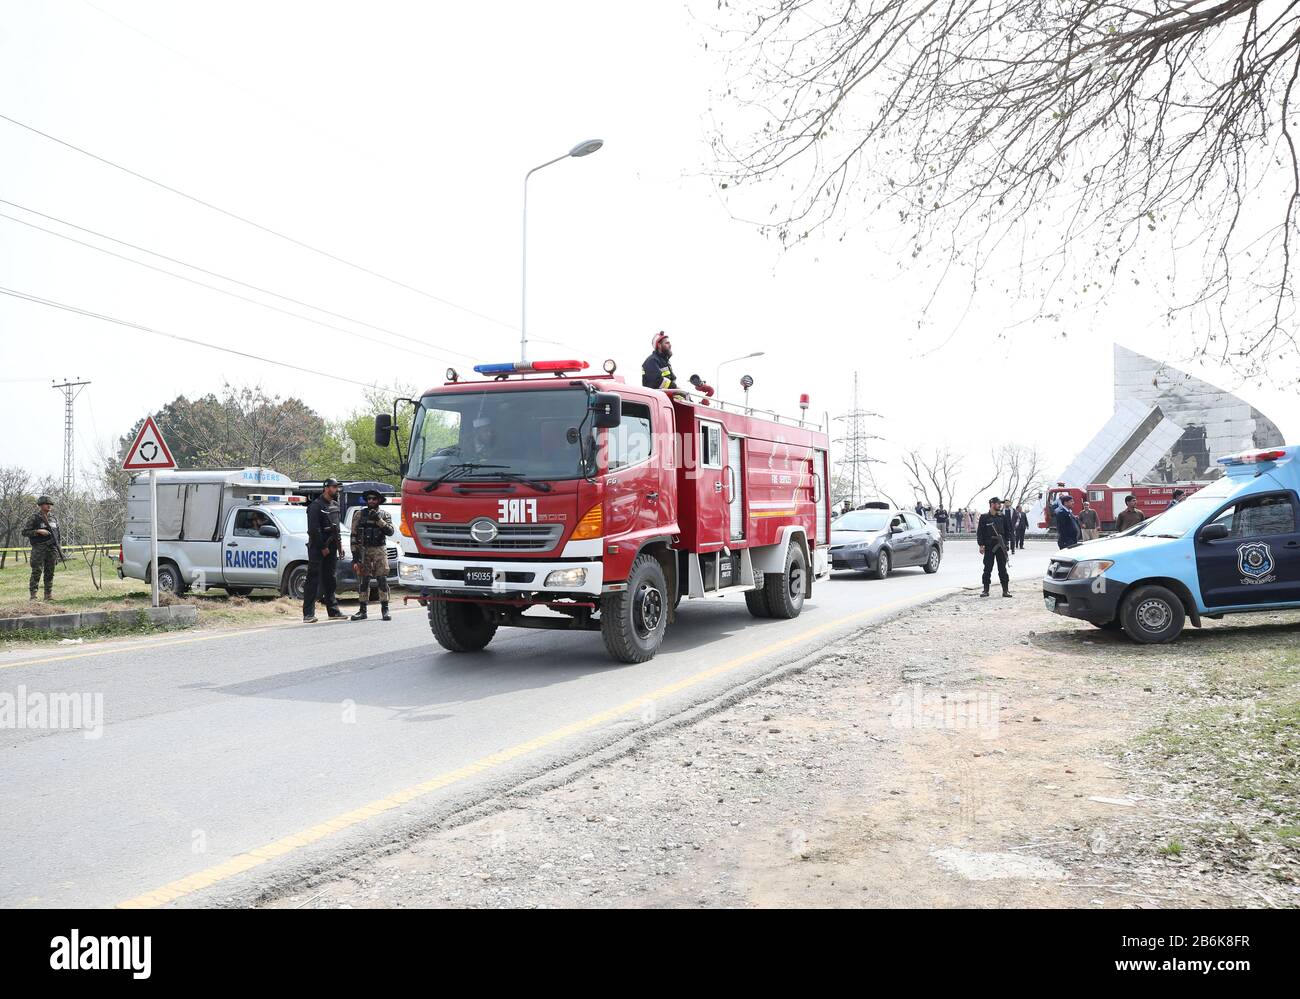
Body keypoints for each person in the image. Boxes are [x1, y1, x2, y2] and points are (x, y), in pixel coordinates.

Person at [349, 490, 395, 621]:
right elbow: (353, 535)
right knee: (364, 580)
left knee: (382, 579)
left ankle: (385, 610)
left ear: (379, 500)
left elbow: (390, 531)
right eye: (368, 499)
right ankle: (362, 610)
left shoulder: (385, 515)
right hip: (364, 550)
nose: (371, 501)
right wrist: (355, 556)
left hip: (379, 549)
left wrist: (378, 520)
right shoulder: (359, 514)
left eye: (374, 499)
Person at [303, 478, 344, 623]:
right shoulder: (315, 506)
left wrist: (339, 545)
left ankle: (333, 611)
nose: (336, 490)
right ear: (326, 488)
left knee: (330, 579)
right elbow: (313, 530)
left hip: (332, 546)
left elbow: (336, 528)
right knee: (313, 580)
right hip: (318, 547)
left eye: (337, 487)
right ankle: (308, 613)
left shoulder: (335, 504)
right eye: (334, 487)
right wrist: (322, 547)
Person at [22, 495, 61, 601]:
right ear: (40, 505)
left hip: (52, 548)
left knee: (50, 571)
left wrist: (58, 548)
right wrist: (38, 531)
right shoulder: (34, 517)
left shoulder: (54, 518)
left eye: (50, 504)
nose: (49, 506)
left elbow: (58, 534)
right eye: (46, 504)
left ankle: (48, 594)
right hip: (39, 548)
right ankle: (33, 595)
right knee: (37, 571)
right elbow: (25, 532)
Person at [977, 496, 1012, 598]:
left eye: (1000, 504)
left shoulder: (1003, 517)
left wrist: (1006, 544)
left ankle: (1006, 590)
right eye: (998, 503)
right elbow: (980, 533)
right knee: (987, 568)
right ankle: (985, 590)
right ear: (992, 504)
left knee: (1002, 569)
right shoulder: (984, 517)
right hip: (989, 545)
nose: (1000, 505)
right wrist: (981, 545)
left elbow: (1007, 531)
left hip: (1000, 546)